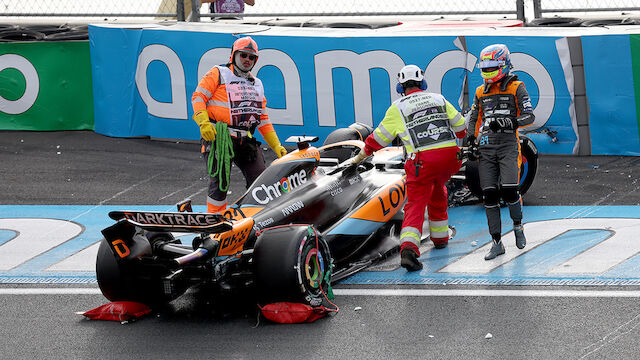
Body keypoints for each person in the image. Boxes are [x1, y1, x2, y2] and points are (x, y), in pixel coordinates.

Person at [352, 64, 467, 271]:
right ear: (422, 83)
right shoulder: (438, 98)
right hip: (450, 160)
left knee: (415, 204)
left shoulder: (398, 107)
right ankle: (440, 238)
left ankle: (408, 250)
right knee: (438, 189)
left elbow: (379, 139)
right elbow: (461, 127)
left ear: (400, 87)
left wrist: (361, 155)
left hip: (422, 162)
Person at [191, 36, 287, 213]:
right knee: (220, 183)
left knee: (261, 182)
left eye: (252, 57)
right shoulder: (218, 73)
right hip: (219, 137)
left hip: (245, 139)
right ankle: (215, 223)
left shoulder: (257, 84)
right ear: (233, 55)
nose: (247, 60)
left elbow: (263, 119)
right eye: (243, 55)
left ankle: (255, 220)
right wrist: (203, 123)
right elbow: (198, 97)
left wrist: (276, 145)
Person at [466, 44, 535, 260]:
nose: (487, 72)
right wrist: (471, 141)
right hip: (485, 148)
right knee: (489, 195)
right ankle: (496, 243)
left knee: (510, 190)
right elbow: (474, 120)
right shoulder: (480, 91)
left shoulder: (517, 87)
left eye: (491, 67)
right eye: (484, 68)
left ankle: (518, 226)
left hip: (508, 146)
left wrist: (508, 121)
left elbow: (530, 116)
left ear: (504, 65)